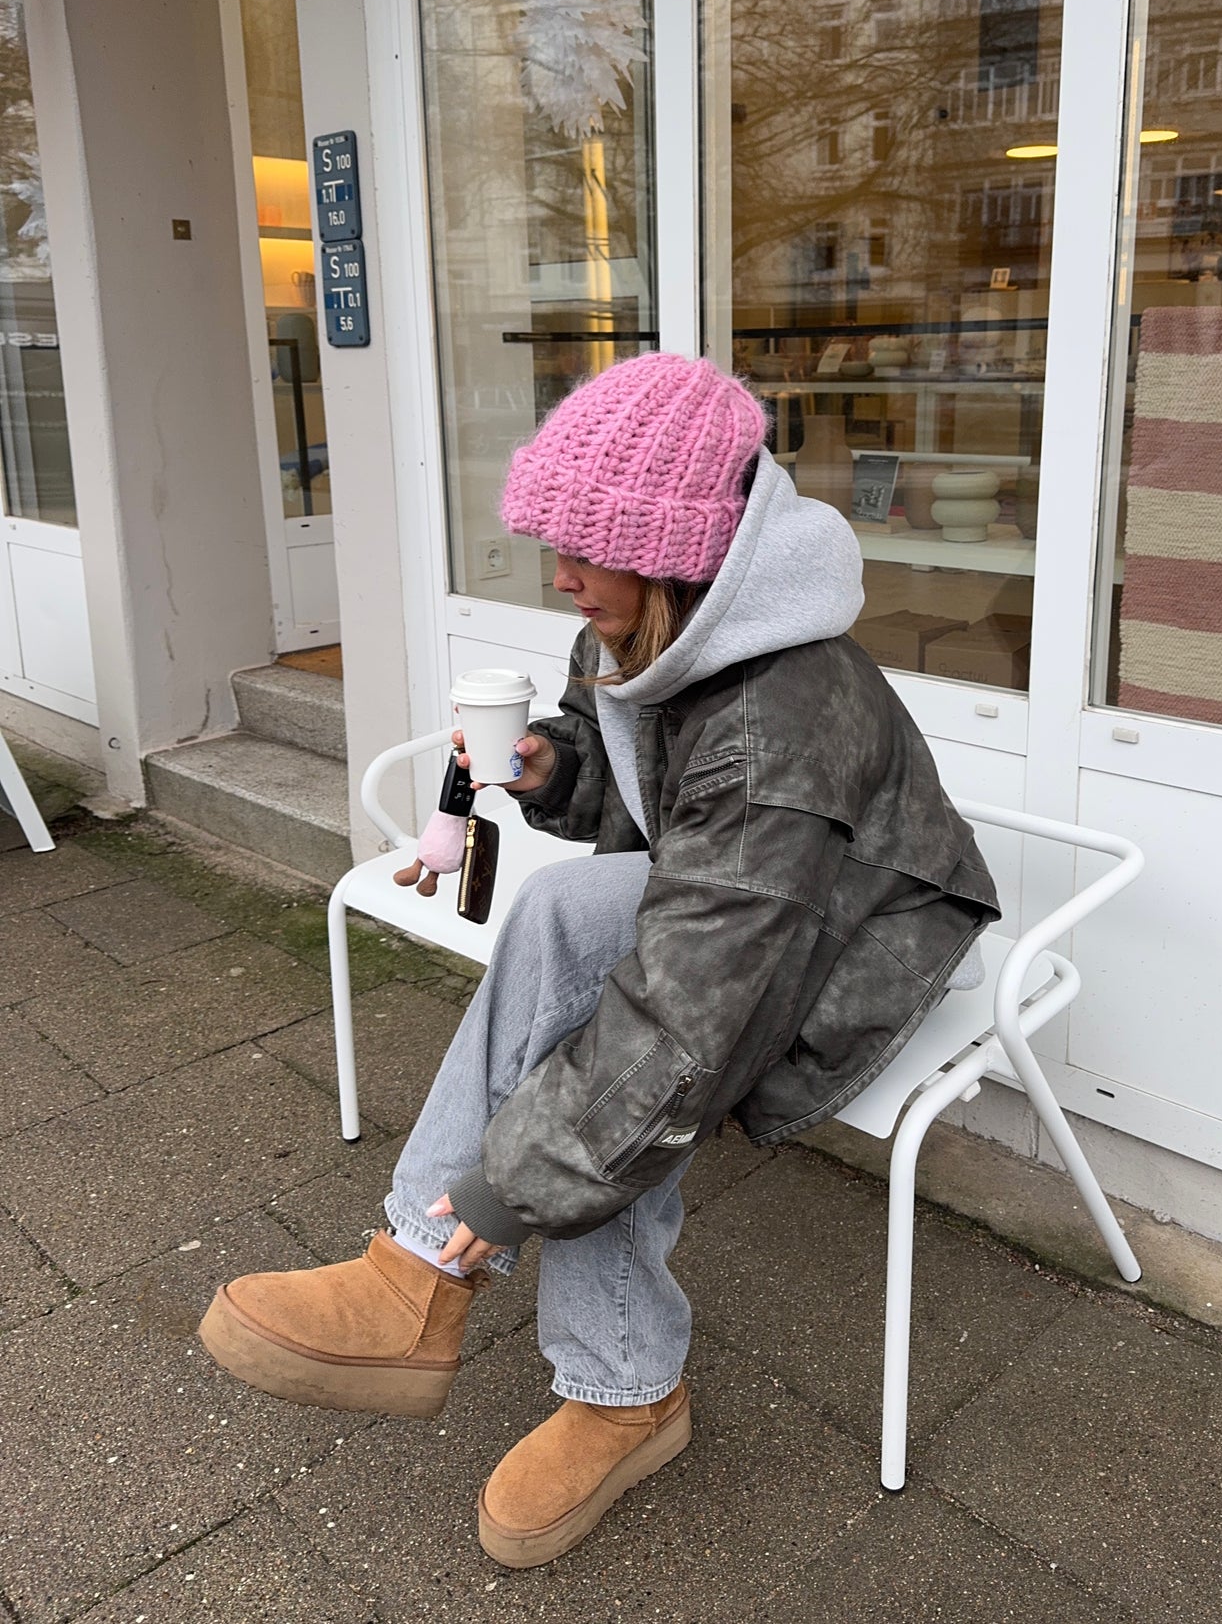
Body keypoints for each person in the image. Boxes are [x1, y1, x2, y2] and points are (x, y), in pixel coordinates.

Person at [198, 352, 999, 1568]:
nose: (560, 574)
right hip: (743, 894)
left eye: (589, 546)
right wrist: (554, 766)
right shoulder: (649, 630)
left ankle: (597, 1375)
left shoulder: (781, 718)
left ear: (678, 548)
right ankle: (445, 1293)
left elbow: (685, 1026)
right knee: (567, 917)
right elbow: (633, 780)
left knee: (619, 1067)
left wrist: (505, 1191)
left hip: (853, 937)